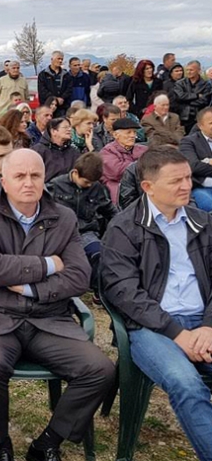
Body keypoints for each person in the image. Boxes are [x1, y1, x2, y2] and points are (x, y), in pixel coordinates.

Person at [0, 149, 115, 461]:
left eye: (35, 175)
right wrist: (49, 264)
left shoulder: (64, 218)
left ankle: (48, 442)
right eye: (19, 176)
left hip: (49, 318)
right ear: (3, 181)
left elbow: (79, 278)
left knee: (99, 370)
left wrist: (30, 287)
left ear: (44, 177)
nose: (28, 182)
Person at [100, 147, 212, 461]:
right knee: (185, 383)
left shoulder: (203, 222)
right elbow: (125, 293)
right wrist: (178, 333)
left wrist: (207, 326)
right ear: (148, 187)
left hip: (203, 322)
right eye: (176, 181)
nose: (187, 186)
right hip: (153, 329)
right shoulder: (125, 228)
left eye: (189, 178)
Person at [46, 152, 117, 292]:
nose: (89, 185)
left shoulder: (97, 188)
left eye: (92, 182)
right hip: (60, 233)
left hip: (86, 231)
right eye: (86, 182)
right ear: (75, 173)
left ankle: (98, 291)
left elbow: (110, 210)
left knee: (99, 253)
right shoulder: (55, 186)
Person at [102, 118, 148, 204]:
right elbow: (117, 172)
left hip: (142, 187)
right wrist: (141, 164)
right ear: (116, 135)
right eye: (128, 132)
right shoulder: (107, 151)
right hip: (119, 192)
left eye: (134, 132)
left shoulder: (143, 149)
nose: (132, 135)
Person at [178, 107, 212, 212]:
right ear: (200, 126)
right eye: (211, 123)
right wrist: (204, 164)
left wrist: (206, 162)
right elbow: (192, 166)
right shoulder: (189, 142)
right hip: (201, 186)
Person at [32, 117, 80, 182]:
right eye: (65, 127)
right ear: (54, 131)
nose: (69, 129)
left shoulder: (74, 152)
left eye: (70, 127)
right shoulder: (38, 150)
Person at [172, 60, 212, 130]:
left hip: (198, 117)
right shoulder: (180, 83)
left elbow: (204, 101)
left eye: (191, 70)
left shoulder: (206, 85)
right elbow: (180, 97)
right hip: (183, 117)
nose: (188, 72)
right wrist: (196, 96)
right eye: (187, 70)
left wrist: (186, 101)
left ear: (198, 70)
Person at [38, 51, 71, 117]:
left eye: (62, 59)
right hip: (48, 107)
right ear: (52, 59)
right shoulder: (43, 74)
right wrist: (55, 99)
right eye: (58, 59)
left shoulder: (66, 75)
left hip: (63, 107)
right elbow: (42, 90)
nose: (60, 61)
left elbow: (69, 89)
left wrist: (62, 98)